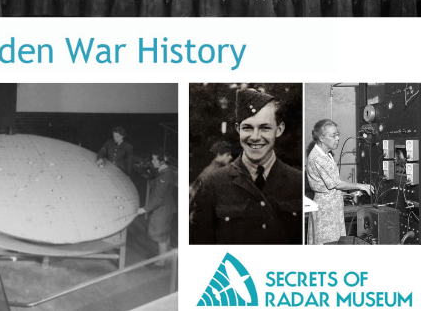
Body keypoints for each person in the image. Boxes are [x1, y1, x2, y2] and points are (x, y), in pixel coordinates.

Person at [190, 89, 303, 245]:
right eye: (247, 128)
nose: (255, 137)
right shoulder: (213, 183)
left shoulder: (297, 182)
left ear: (279, 129)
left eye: (265, 128)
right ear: (238, 129)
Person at [305, 119, 374, 245]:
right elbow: (336, 184)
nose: (337, 138)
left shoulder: (327, 154)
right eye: (333, 135)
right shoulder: (318, 158)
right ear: (321, 138)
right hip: (326, 209)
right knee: (328, 242)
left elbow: (328, 184)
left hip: (332, 206)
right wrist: (360, 186)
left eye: (338, 134)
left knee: (336, 241)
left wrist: (347, 194)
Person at [138, 148, 177, 265]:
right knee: (165, 235)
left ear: (162, 161)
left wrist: (143, 209)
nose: (152, 161)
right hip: (168, 208)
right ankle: (164, 256)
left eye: (154, 159)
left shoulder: (163, 177)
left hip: (161, 211)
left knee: (160, 237)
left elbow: (157, 198)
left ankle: (161, 262)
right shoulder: (168, 171)